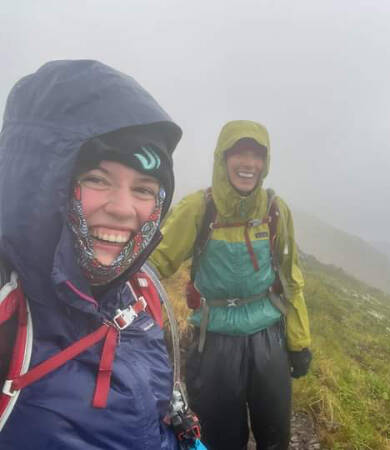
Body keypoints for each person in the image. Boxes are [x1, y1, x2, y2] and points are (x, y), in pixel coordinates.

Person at [0, 60, 185, 449]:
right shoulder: (8, 309)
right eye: (97, 179)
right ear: (41, 180)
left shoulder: (140, 290)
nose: (123, 209)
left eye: (144, 189)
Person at [149, 120, 312, 449]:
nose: (248, 163)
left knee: (275, 436)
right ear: (222, 158)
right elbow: (156, 263)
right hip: (215, 343)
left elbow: (290, 278)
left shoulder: (276, 211)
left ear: (265, 164)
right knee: (220, 438)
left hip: (269, 340)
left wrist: (299, 341)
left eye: (257, 155)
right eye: (239, 152)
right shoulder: (200, 208)